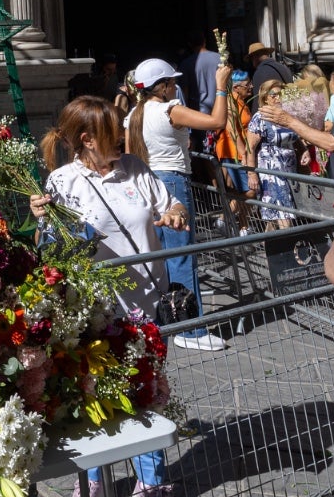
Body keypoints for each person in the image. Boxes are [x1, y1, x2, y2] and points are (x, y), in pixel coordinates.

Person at [31, 97, 193, 497]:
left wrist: (174, 215)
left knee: (149, 392)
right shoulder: (62, 182)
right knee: (92, 398)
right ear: (86, 140)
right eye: (112, 132)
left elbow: (167, 207)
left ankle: (152, 486)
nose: (122, 137)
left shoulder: (136, 169)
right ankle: (94, 481)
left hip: (147, 305)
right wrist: (43, 223)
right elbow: (53, 252)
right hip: (97, 314)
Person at [125, 56, 230, 350]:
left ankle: (163, 322)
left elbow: (130, 156)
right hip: (171, 181)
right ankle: (191, 329)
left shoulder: (134, 113)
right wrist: (220, 87)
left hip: (145, 182)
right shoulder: (169, 109)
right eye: (172, 82)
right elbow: (217, 122)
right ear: (163, 86)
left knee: (158, 256)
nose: (175, 87)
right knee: (182, 255)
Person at [246, 80, 301, 229]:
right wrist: (252, 174)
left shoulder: (287, 115)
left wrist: (305, 151)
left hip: (289, 169)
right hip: (272, 171)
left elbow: (296, 138)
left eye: (280, 94)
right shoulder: (260, 117)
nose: (278, 98)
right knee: (284, 213)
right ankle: (290, 249)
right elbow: (250, 146)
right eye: (273, 95)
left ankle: (271, 248)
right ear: (265, 98)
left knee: (274, 215)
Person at [214, 69, 253, 233]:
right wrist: (244, 153)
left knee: (244, 191)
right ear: (236, 87)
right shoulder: (230, 102)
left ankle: (242, 226)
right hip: (232, 151)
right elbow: (231, 130)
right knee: (250, 192)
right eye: (247, 84)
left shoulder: (242, 102)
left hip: (239, 151)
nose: (251, 86)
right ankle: (225, 219)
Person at [178, 31, 221, 115]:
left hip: (198, 113)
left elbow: (185, 93)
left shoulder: (186, 64)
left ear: (190, 44)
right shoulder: (220, 58)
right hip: (220, 107)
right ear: (204, 41)